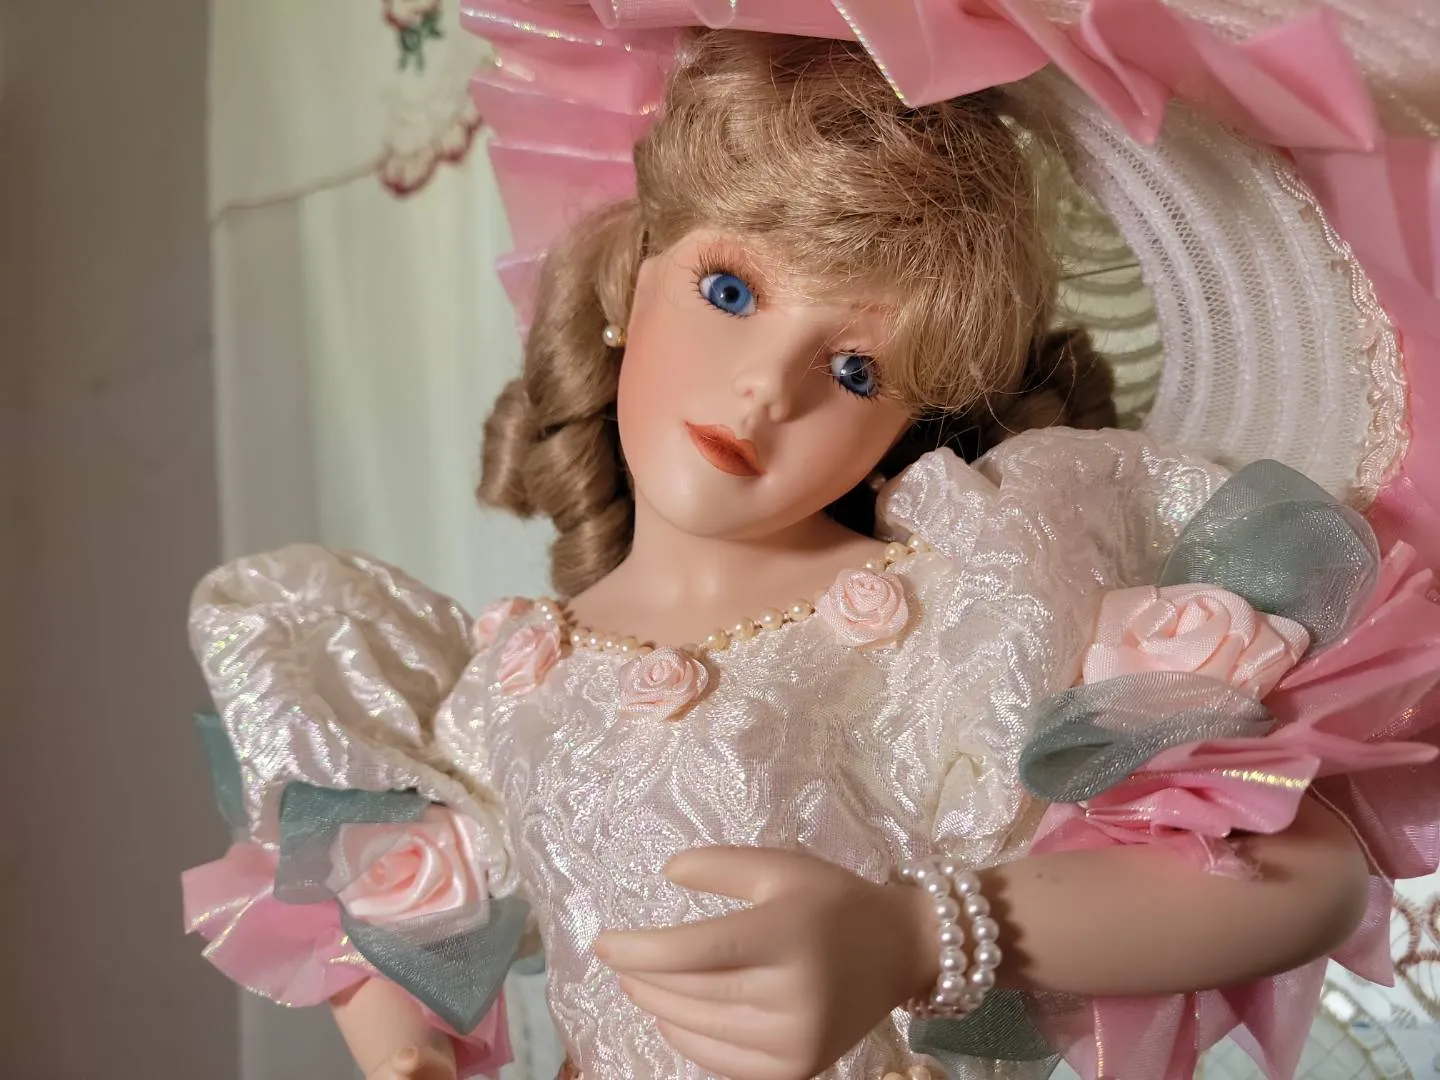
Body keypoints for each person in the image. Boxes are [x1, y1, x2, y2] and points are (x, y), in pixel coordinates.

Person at [182, 26, 1440, 1080]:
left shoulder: (960, 607)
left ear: (907, 421)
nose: (764, 392)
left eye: (854, 370)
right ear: (632, 279)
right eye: (731, 292)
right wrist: (407, 1054)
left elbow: (1303, 875)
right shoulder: (511, 680)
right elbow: (377, 903)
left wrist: (919, 937)